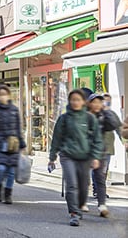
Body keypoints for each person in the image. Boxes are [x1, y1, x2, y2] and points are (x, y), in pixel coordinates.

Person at [49, 89, 103, 227]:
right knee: (72, 184)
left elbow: (97, 139)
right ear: (69, 101)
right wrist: (52, 157)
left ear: (83, 102)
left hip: (85, 156)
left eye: (78, 100)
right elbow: (56, 139)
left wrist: (96, 157)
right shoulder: (64, 118)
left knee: (84, 185)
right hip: (67, 156)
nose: (75, 102)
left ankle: (79, 206)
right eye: (73, 99)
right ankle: (74, 213)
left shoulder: (89, 118)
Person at [87, 93, 121, 217]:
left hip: (101, 151)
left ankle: (102, 205)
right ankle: (81, 202)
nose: (98, 105)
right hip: (84, 151)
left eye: (100, 102)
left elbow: (115, 125)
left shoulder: (104, 116)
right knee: (83, 178)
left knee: (101, 177)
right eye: (94, 102)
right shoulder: (84, 115)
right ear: (89, 103)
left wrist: (107, 111)